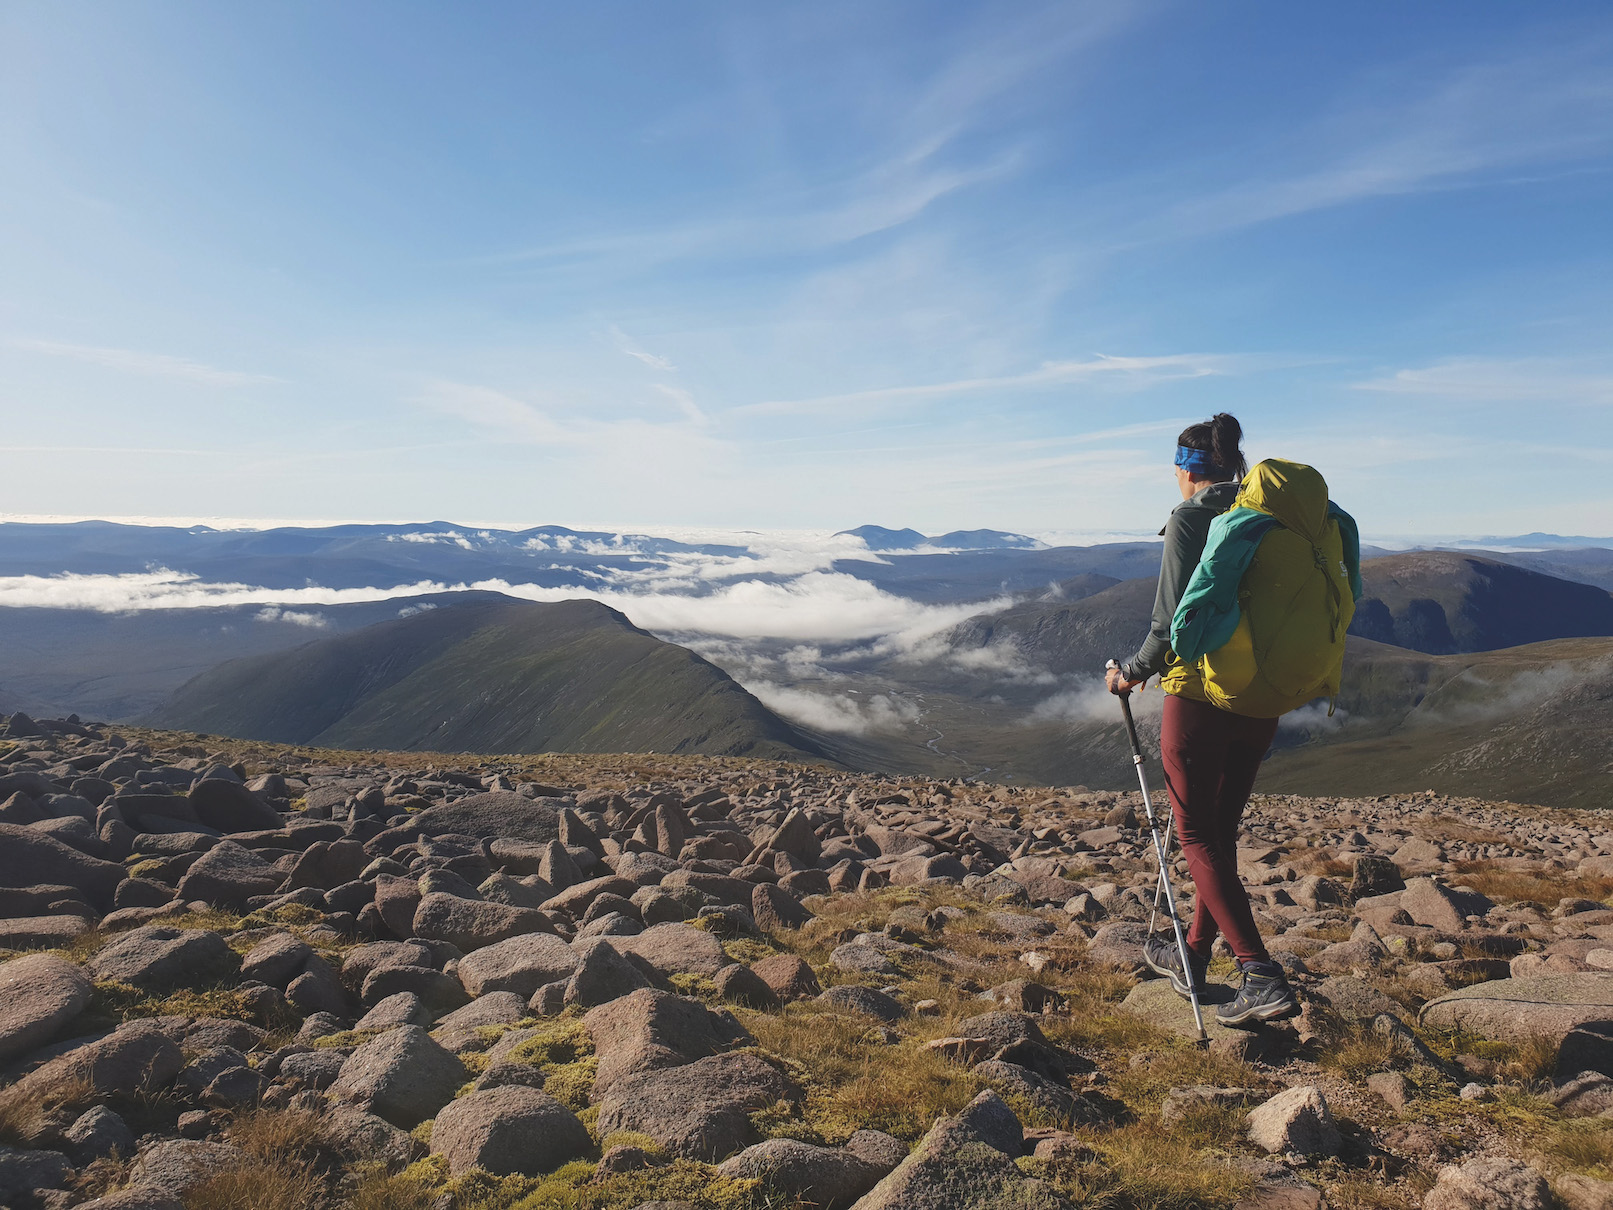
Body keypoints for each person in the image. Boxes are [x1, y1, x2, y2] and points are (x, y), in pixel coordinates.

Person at [1104, 412, 1300, 1027]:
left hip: (1200, 695)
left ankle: (1259, 972)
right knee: (1219, 834)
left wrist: (1129, 673)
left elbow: (1168, 624)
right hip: (1262, 697)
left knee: (1194, 835)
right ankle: (1192, 954)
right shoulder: (1269, 516)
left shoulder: (1192, 519)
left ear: (1188, 470)